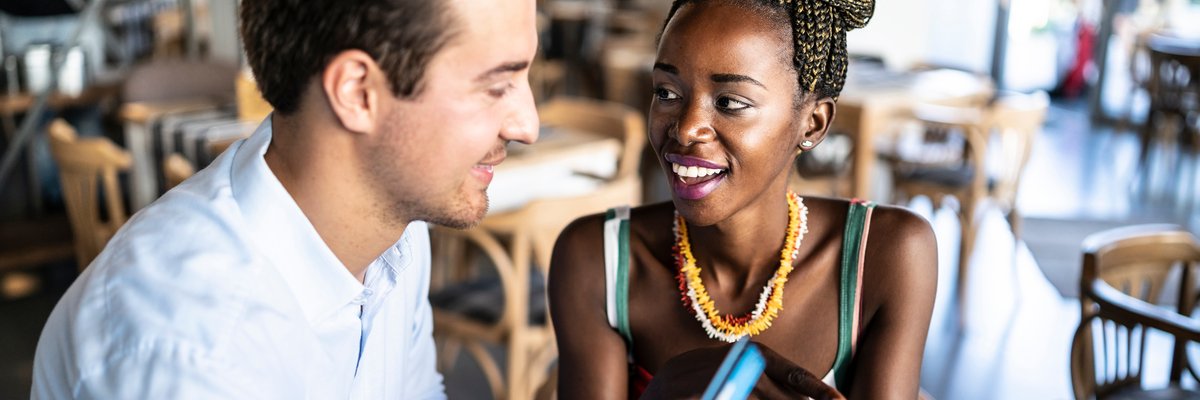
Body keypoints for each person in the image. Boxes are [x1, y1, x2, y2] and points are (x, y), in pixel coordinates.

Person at [32, 0, 539, 397]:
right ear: (358, 92)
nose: (528, 125)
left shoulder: (395, 236)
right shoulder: (194, 353)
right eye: (497, 86)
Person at [548, 0, 937, 398]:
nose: (685, 130)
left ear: (813, 123)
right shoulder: (597, 258)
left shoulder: (885, 255)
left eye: (730, 102)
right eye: (666, 92)